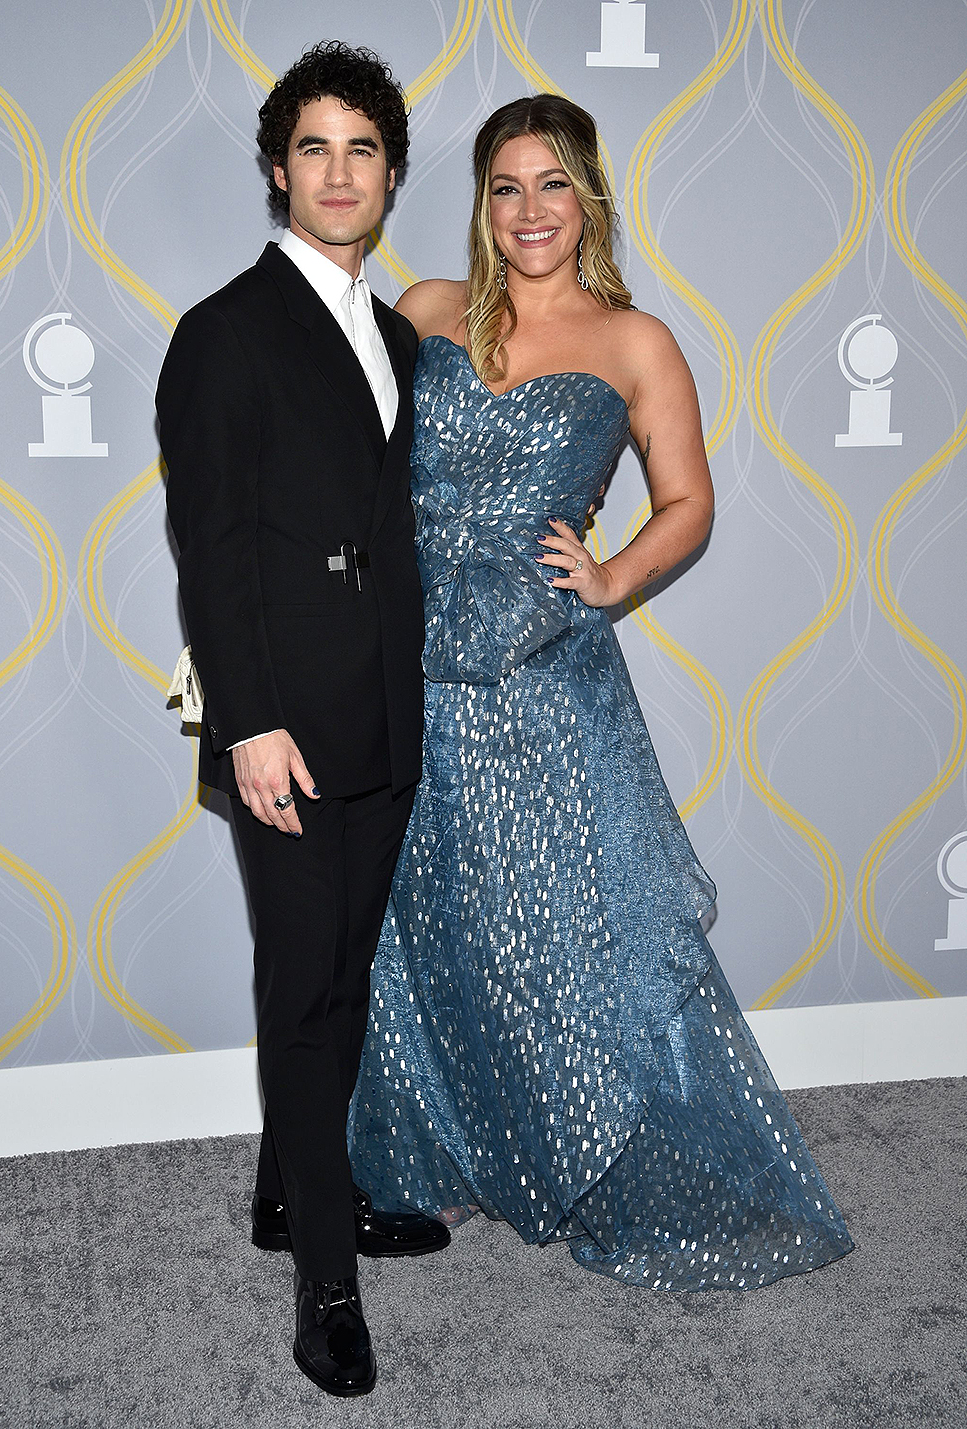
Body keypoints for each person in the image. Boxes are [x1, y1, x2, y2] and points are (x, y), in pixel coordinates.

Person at [348, 94, 854, 1291]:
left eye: (551, 184)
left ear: (588, 198)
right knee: (432, 927)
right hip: (408, 669)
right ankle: (455, 1156)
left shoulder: (635, 343)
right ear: (481, 203)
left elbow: (689, 500)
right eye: (505, 187)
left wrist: (611, 572)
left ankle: (593, 1154)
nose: (528, 211)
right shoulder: (421, 311)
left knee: (567, 934)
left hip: (541, 685)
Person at [157, 42, 449, 1400]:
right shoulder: (223, 331)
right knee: (308, 989)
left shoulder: (394, 334)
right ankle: (323, 1279)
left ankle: (294, 1191)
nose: (340, 173)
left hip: (387, 714)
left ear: (391, 174)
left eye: (364, 149)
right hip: (291, 727)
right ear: (280, 170)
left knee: (342, 973)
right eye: (314, 148)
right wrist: (250, 727)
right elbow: (211, 551)